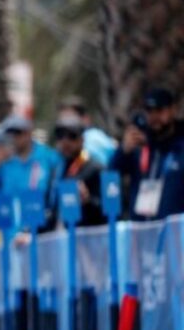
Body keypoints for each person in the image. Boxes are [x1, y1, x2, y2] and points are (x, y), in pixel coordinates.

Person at [109, 87, 184, 221]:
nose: (154, 117)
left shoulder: (180, 147)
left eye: (160, 111)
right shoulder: (139, 146)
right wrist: (123, 151)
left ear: (173, 110)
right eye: (149, 111)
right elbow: (110, 176)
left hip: (175, 231)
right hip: (142, 232)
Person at [49, 115, 106, 228]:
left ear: (82, 139)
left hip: (86, 238)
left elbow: (108, 212)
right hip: (60, 237)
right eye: (60, 136)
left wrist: (87, 201)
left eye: (72, 136)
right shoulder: (57, 168)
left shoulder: (94, 168)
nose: (66, 142)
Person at [58, 95, 118, 166]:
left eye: (70, 119)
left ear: (85, 119)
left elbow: (91, 159)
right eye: (62, 121)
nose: (65, 125)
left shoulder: (92, 138)